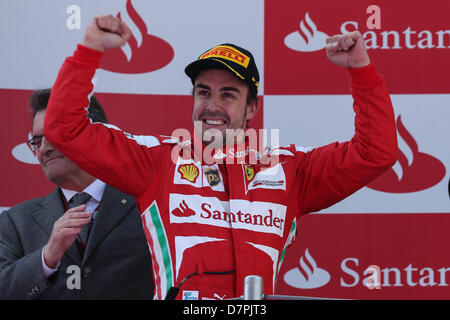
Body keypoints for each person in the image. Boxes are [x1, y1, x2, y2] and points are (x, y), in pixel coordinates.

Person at [44, 15, 398, 300]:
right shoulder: (157, 162)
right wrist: (89, 51)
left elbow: (375, 152)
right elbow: (64, 129)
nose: (211, 106)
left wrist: (361, 70)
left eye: (228, 94)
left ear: (251, 108)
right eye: (203, 92)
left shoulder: (291, 170)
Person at [0, 89, 154, 299]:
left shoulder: (148, 206)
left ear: (94, 135)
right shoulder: (15, 221)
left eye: (54, 134)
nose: (44, 148)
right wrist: (46, 258)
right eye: (36, 141)